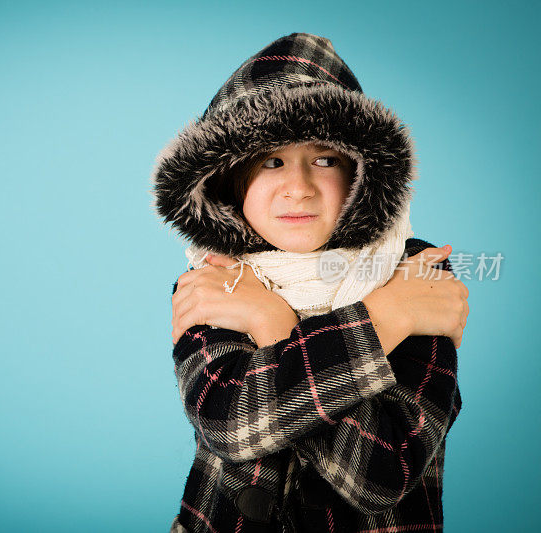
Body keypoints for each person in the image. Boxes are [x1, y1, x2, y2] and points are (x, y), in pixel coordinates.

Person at [150, 33, 468, 533]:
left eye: (324, 160)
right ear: (230, 180)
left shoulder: (414, 271)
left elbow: (383, 472)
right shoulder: (219, 276)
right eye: (270, 161)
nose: (298, 188)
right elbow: (233, 424)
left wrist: (273, 331)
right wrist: (385, 318)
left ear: (362, 173)